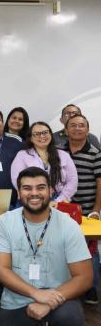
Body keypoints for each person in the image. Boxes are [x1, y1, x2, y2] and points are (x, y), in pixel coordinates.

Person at [0, 167, 93, 326]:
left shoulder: (68, 225)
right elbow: (0, 270)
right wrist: (36, 294)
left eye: (40, 188)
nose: (34, 193)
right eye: (27, 188)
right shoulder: (5, 222)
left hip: (57, 299)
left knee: (71, 316)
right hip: (17, 301)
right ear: (18, 193)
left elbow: (84, 277)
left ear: (50, 191)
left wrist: (49, 301)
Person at [59, 114, 101, 305]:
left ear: (87, 129)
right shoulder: (58, 151)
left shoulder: (96, 153)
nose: (77, 129)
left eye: (81, 125)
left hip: (86, 212)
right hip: (61, 209)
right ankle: (67, 285)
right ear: (66, 131)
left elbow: (100, 183)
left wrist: (96, 209)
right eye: (73, 126)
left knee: (88, 250)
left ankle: (90, 288)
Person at [11, 122, 77, 204]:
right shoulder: (22, 155)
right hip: (31, 198)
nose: (42, 136)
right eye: (37, 134)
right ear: (31, 138)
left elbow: (73, 180)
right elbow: (16, 179)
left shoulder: (63, 155)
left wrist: (59, 200)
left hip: (59, 198)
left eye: (45, 132)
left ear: (50, 134)